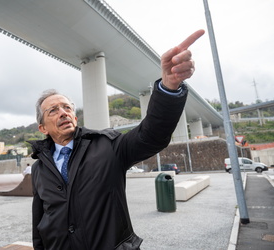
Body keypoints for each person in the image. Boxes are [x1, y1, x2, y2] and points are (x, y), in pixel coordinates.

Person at [29, 30, 205, 250]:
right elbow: (40, 222)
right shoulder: (39, 168)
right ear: (43, 128)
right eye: (53, 110)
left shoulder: (107, 145)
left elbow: (151, 136)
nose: (63, 112)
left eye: (67, 108)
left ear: (75, 117)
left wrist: (169, 87)